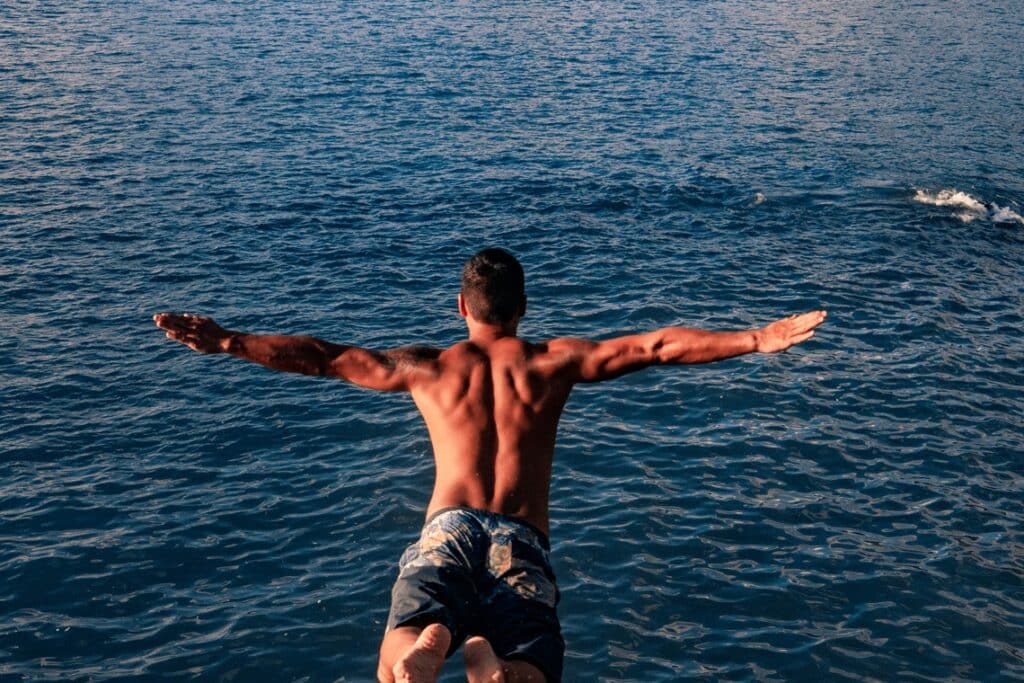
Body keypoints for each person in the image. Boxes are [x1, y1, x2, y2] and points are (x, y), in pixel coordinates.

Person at [154, 248, 826, 683]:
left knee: (395, 664)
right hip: (520, 538)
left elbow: (325, 356)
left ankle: (428, 640)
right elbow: (652, 346)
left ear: (461, 308)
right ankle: (493, 667)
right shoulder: (551, 362)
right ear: (522, 307)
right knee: (532, 670)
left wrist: (229, 341)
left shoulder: (430, 368)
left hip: (446, 529)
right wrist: (755, 338)